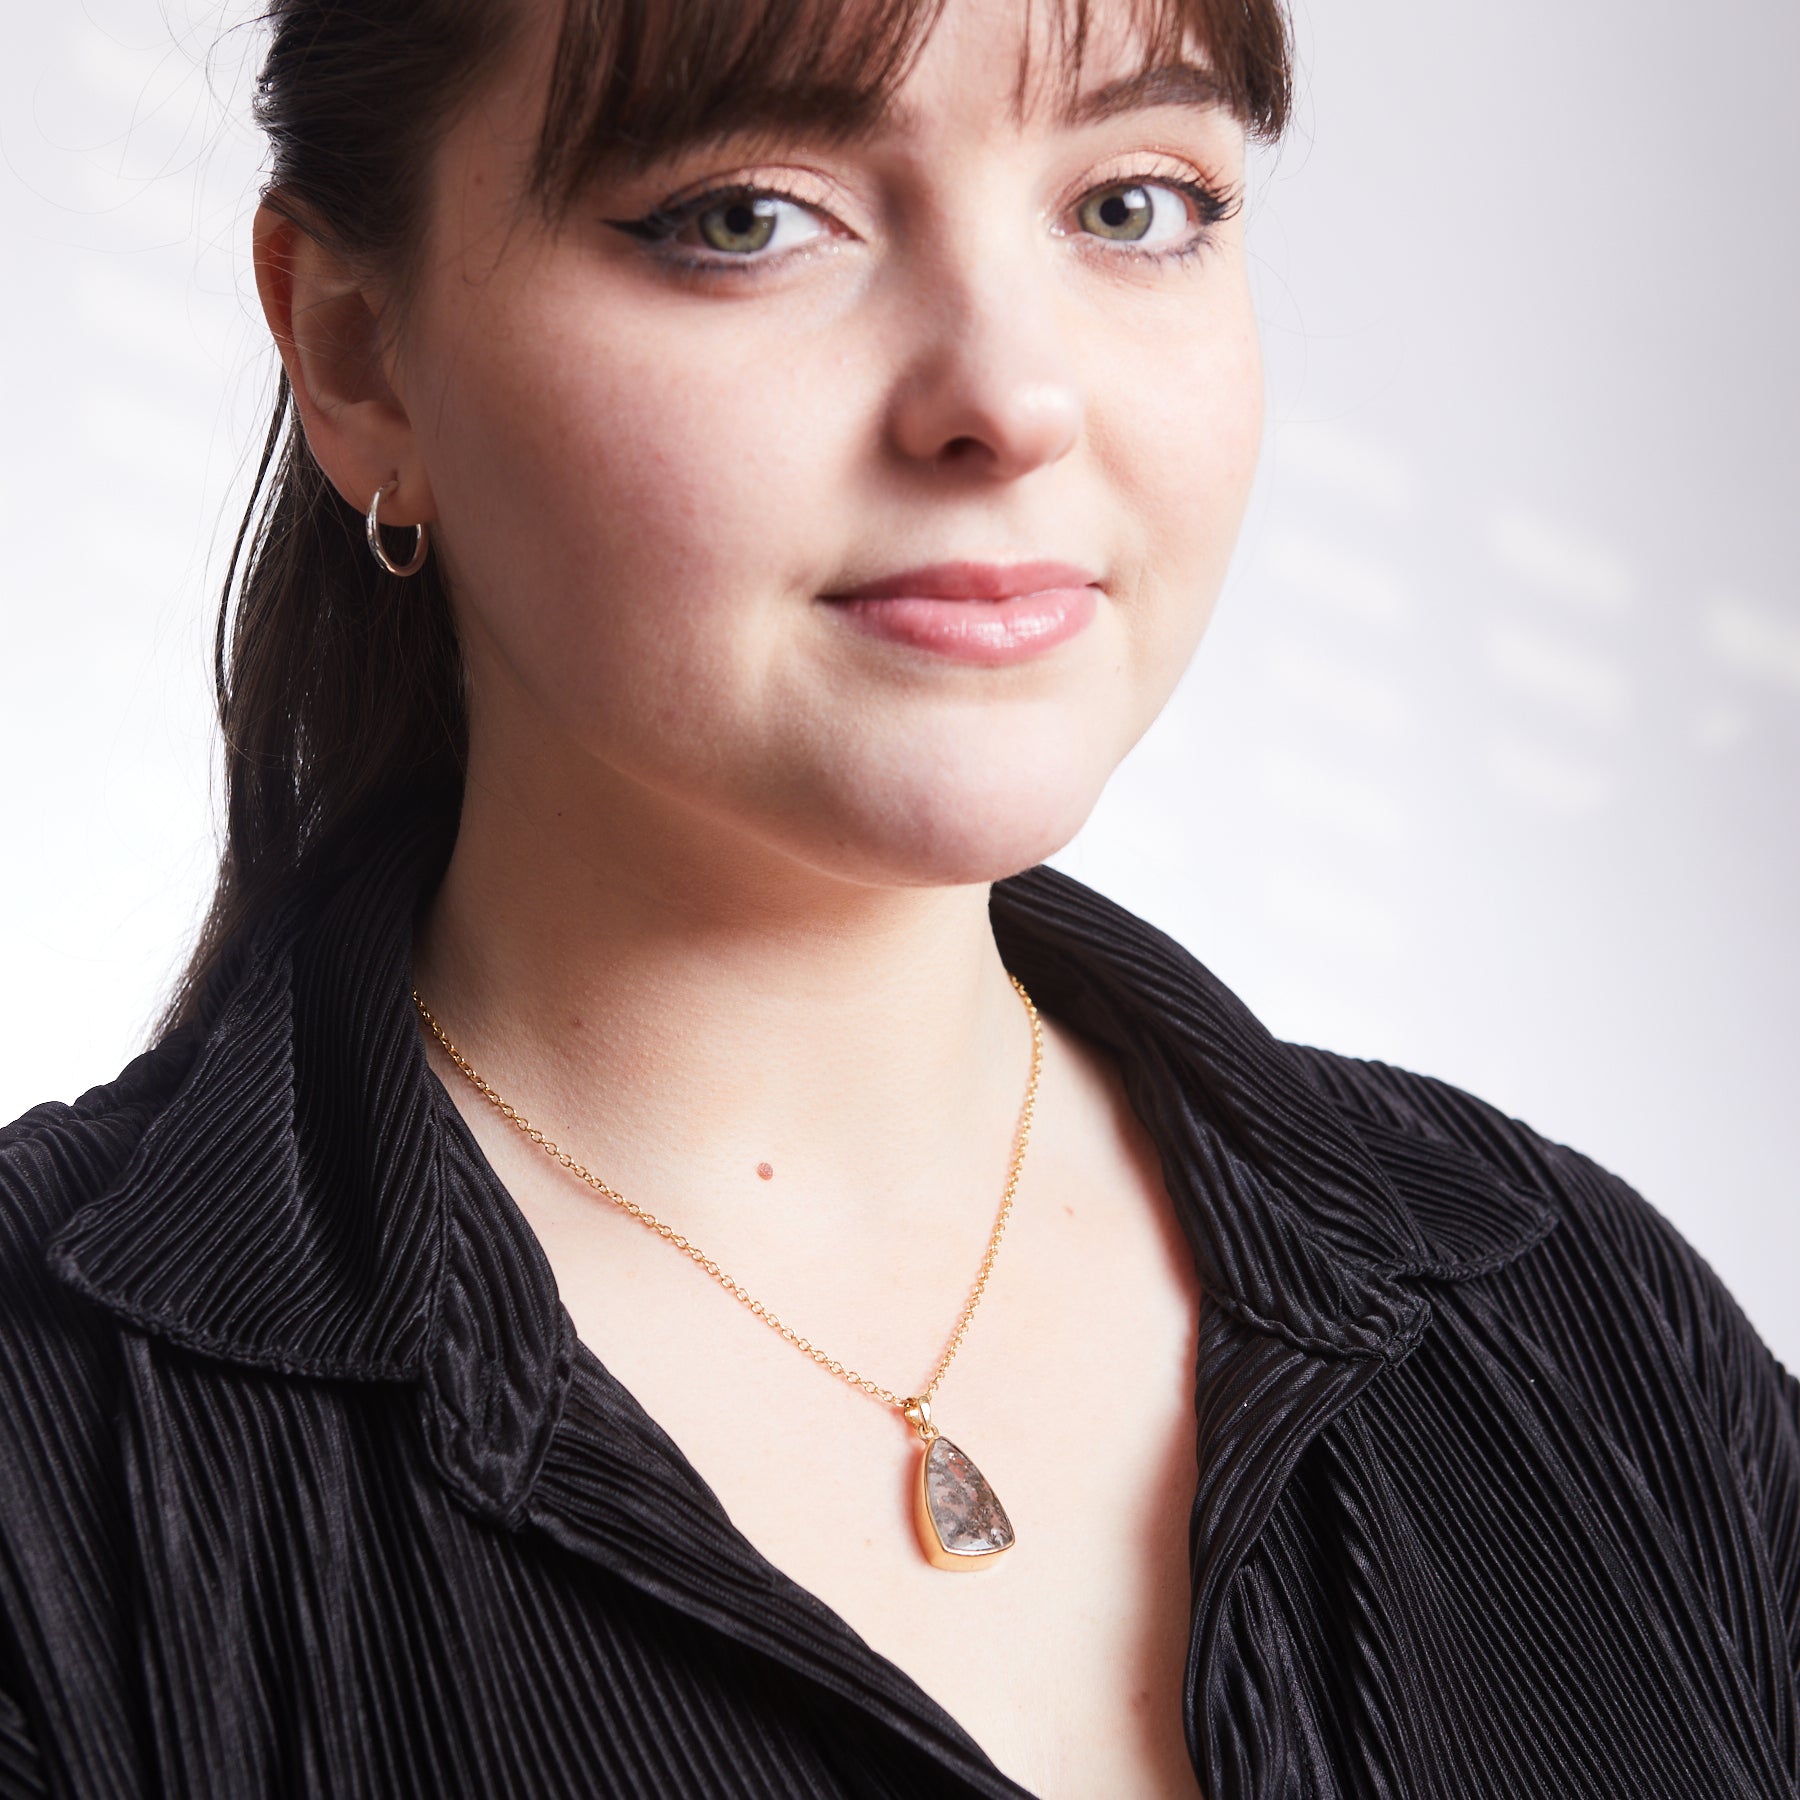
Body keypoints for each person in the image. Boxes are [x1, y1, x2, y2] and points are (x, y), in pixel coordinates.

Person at [1, 0, 1795, 1794]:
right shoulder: (52, 1470)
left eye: (1132, 205)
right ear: (356, 351)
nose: (1011, 401)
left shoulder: (1584, 1328)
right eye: (747, 216)